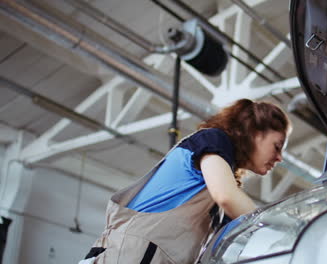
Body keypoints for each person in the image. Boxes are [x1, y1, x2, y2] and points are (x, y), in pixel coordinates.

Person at [80, 98, 292, 264]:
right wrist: (282, 228)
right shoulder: (214, 141)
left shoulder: (216, 197)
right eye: (277, 145)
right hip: (133, 254)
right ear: (255, 132)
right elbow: (227, 197)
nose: (280, 157)